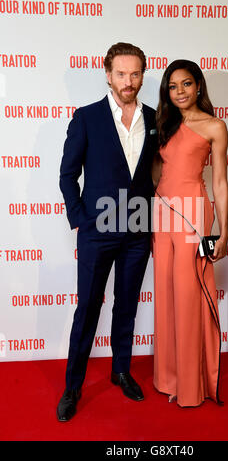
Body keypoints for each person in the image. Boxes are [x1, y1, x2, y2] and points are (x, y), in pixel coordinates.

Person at [57, 42, 157, 421]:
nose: (128, 81)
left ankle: (121, 370)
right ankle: (72, 387)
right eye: (121, 74)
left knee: (127, 305)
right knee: (88, 309)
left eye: (135, 74)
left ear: (142, 76)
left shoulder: (153, 117)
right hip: (98, 230)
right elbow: (67, 176)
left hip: (137, 230)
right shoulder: (87, 118)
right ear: (107, 73)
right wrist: (82, 219)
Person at [152, 59, 228, 407]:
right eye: (173, 86)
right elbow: (156, 172)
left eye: (186, 84)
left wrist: (223, 232)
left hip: (194, 215)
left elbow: (221, 183)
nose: (179, 91)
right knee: (166, 294)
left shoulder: (214, 126)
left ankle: (190, 386)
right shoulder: (163, 123)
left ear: (198, 85)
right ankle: (168, 378)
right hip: (161, 213)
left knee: (187, 295)